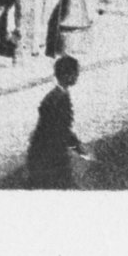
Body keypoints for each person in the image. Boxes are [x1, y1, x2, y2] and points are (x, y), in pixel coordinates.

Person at [26, 55, 85, 188]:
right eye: (75, 74)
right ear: (67, 75)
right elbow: (60, 129)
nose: (77, 77)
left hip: (46, 152)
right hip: (50, 155)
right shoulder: (59, 99)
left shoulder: (57, 95)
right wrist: (78, 148)